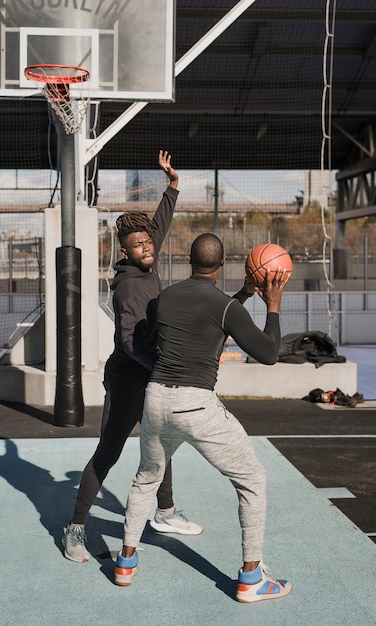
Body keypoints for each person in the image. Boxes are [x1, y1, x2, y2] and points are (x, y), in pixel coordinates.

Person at [115, 233, 292, 603]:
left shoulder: (165, 298)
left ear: (188, 260)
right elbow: (269, 352)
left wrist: (241, 295)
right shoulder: (226, 308)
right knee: (253, 480)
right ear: (223, 262)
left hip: (156, 397)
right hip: (196, 405)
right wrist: (272, 305)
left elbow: (203, 319)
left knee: (145, 479)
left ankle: (125, 563)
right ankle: (252, 578)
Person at [62, 151, 202, 563]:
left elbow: (157, 225)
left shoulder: (146, 251)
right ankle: (75, 528)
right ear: (125, 252)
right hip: (128, 378)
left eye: (147, 242)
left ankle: (165, 512)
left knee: (162, 444)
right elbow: (127, 340)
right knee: (109, 452)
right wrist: (161, 366)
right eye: (138, 244)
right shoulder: (130, 288)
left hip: (152, 375)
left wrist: (172, 186)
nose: (147, 246)